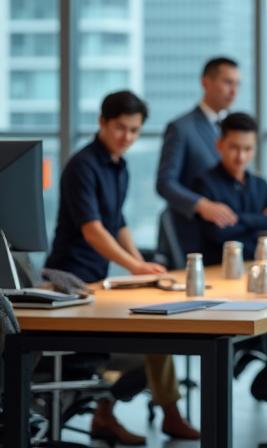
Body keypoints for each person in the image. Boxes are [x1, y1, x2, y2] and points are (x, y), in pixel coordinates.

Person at [45, 91, 199, 444]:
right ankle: (119, 414)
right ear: (102, 122)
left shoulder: (119, 166)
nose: (126, 137)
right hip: (69, 278)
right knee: (149, 334)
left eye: (133, 130)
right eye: (120, 128)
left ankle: (147, 414)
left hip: (97, 279)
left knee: (157, 326)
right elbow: (93, 230)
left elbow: (118, 223)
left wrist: (139, 265)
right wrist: (132, 264)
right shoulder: (82, 165)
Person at [156, 56, 241, 258]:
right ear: (206, 82)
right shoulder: (181, 128)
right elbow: (165, 183)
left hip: (229, 234)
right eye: (227, 82)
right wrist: (202, 205)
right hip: (193, 236)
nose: (234, 91)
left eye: (237, 84)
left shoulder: (235, 130)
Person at [191, 112, 267, 264]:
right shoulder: (204, 183)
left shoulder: (260, 184)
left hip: (255, 264)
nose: (241, 157)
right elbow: (217, 233)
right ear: (219, 145)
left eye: (248, 149)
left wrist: (236, 218)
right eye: (234, 148)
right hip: (218, 268)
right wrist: (258, 219)